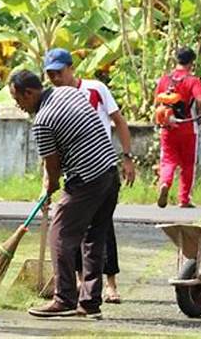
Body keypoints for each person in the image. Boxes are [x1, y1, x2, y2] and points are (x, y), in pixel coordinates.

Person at [10, 70, 119, 319]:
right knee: (94, 237)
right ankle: (90, 303)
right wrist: (51, 184)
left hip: (87, 178)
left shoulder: (43, 121)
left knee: (59, 234)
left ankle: (65, 299)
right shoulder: (68, 92)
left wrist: (49, 188)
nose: (20, 106)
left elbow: (52, 166)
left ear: (30, 93)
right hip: (110, 173)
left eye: (19, 100)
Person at [43, 48, 134, 304]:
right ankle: (84, 287)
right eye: (50, 74)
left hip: (101, 169)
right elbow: (51, 147)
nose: (55, 78)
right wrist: (47, 183)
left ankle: (110, 284)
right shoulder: (52, 100)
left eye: (59, 72)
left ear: (71, 69)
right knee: (76, 233)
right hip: (76, 173)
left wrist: (127, 157)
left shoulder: (95, 89)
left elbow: (120, 121)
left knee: (102, 231)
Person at [155, 47, 201, 208]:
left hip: (167, 127)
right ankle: (184, 199)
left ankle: (165, 183)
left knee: (168, 161)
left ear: (176, 60)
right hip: (187, 128)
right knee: (187, 164)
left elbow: (157, 103)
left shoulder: (165, 79)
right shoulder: (192, 80)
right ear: (191, 63)